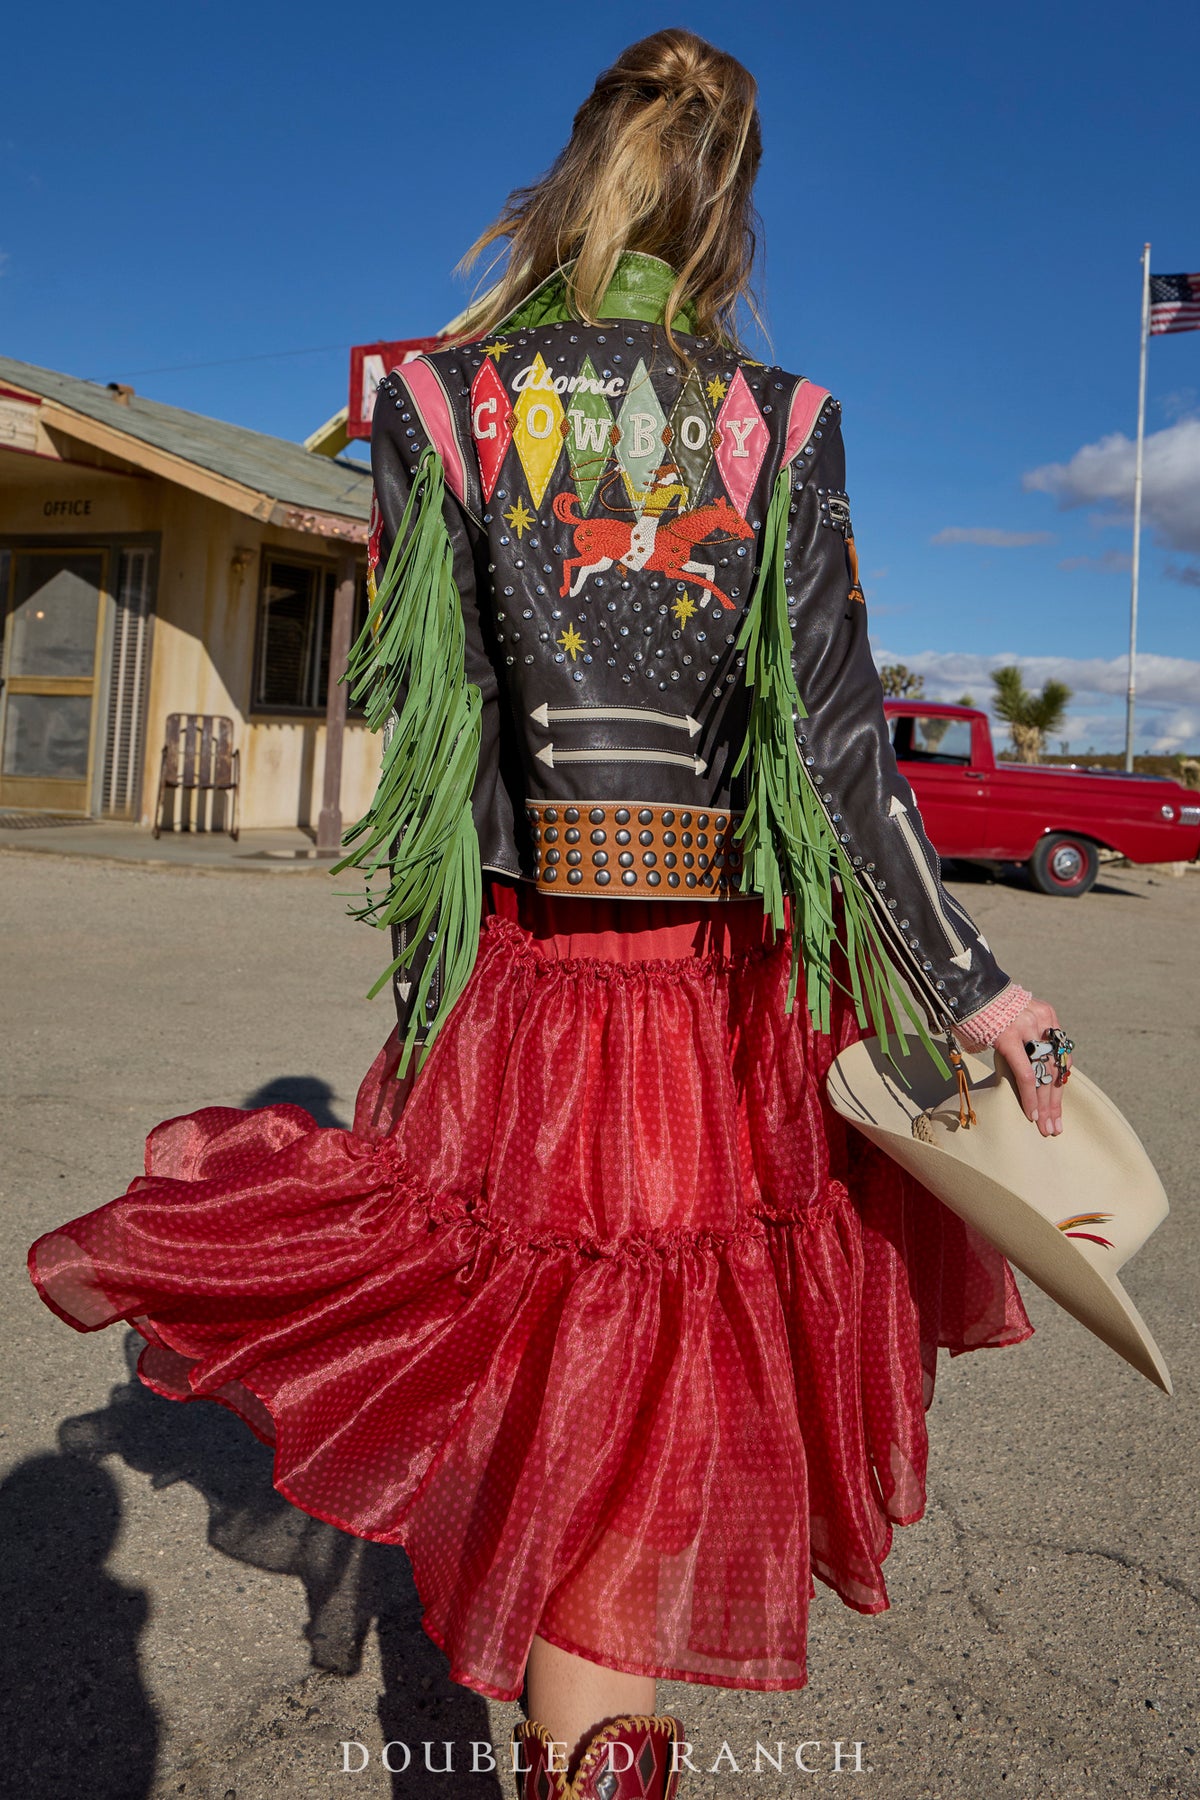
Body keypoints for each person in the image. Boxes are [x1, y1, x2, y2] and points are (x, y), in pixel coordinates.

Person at [28, 29, 1070, 1798]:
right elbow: (831, 754)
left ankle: (571, 1737)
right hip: (719, 998)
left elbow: (424, 721)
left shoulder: (430, 408)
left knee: (558, 1366)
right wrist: (969, 982)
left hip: (519, 991)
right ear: (727, 203)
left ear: (574, 170)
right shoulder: (789, 424)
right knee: (654, 1404)